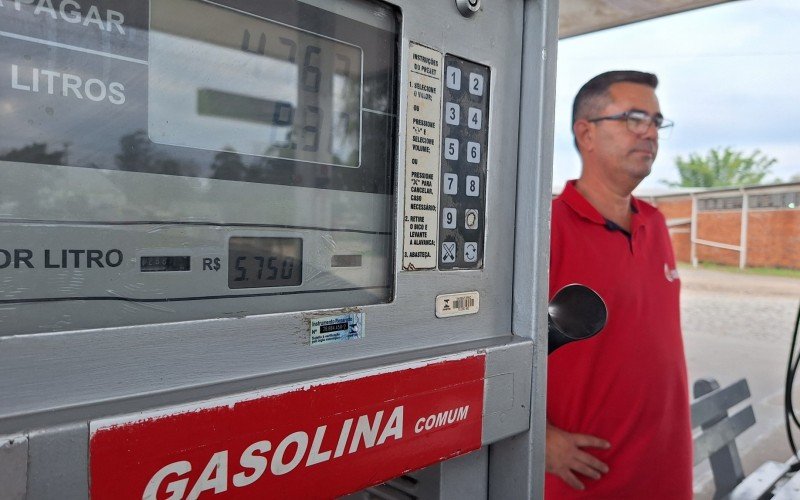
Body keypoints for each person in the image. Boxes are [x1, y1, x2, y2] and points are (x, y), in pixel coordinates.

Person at [545, 70, 692, 499]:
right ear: (586, 133)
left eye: (656, 121)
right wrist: (538, 438)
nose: (649, 132)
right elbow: (492, 351)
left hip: (667, 466)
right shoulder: (545, 228)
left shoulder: (656, 223)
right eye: (632, 117)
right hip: (586, 479)